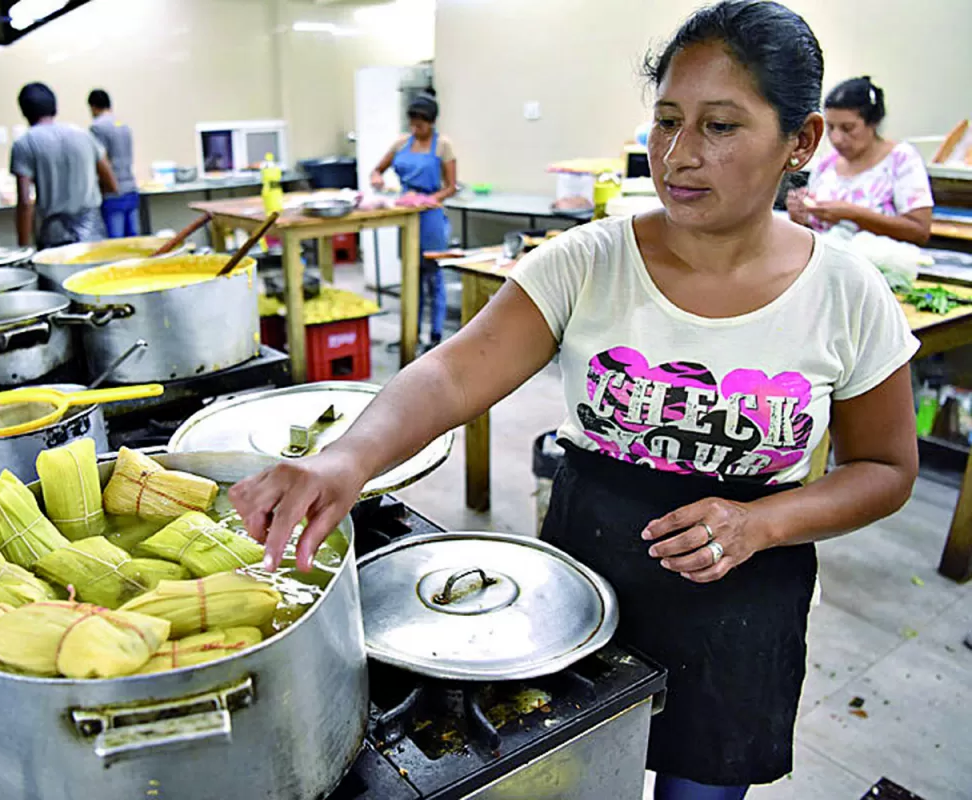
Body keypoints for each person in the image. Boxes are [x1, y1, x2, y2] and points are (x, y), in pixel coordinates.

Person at [229, 3, 919, 799]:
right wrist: (346, 459)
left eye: (720, 126)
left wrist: (761, 522)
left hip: (744, 600)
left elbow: (885, 466)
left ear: (798, 143)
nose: (678, 154)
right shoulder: (590, 262)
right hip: (587, 579)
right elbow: (453, 373)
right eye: (666, 120)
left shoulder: (845, 294)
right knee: (579, 777)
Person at [786, 76, 933, 245]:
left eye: (848, 128)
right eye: (831, 127)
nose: (837, 138)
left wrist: (853, 214)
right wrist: (800, 217)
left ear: (873, 123)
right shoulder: (826, 164)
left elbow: (919, 230)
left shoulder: (901, 159)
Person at [370, 92, 458, 348]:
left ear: (431, 123)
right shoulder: (401, 143)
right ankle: (411, 333)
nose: (415, 129)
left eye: (420, 124)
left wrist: (429, 199)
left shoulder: (443, 146)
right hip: (407, 215)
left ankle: (436, 336)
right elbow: (378, 169)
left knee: (434, 276)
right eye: (413, 124)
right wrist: (377, 178)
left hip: (430, 215)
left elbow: (451, 186)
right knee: (411, 275)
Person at [10, 82, 118, 248]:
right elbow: (112, 184)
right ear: (54, 107)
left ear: (24, 111)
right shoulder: (84, 135)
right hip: (93, 235)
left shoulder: (25, 143)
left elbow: (25, 202)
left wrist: (23, 248)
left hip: (56, 239)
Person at [87, 89, 141, 239]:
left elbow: (100, 160)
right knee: (133, 241)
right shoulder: (123, 125)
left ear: (92, 106)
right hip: (131, 188)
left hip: (112, 191)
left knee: (115, 242)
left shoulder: (97, 127)